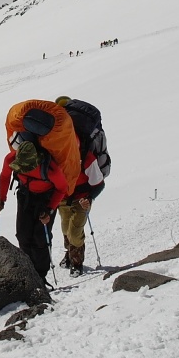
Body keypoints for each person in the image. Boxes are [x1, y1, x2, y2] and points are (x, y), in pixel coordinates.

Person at [0, 99, 81, 279]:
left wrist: (49, 210)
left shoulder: (49, 167)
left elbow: (62, 188)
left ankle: (40, 277)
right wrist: (1, 200)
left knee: (41, 239)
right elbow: (4, 176)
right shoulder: (12, 158)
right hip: (25, 195)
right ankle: (27, 274)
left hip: (47, 198)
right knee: (23, 235)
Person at [55, 97, 109, 275]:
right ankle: (70, 255)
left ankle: (77, 263)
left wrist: (89, 198)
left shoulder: (86, 156)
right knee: (65, 228)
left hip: (81, 197)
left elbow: (99, 183)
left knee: (75, 230)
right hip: (64, 196)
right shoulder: (58, 153)